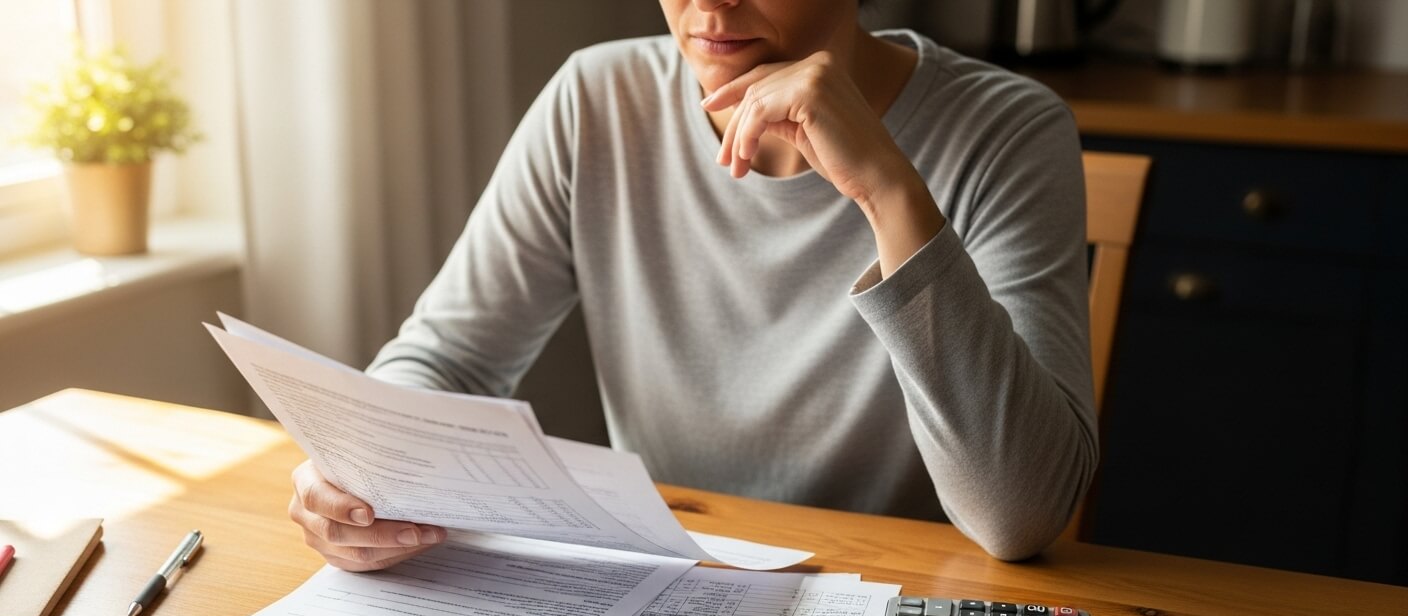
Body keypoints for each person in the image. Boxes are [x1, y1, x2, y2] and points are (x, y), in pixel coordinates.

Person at [287, 0, 1096, 573]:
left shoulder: (1007, 130)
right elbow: (448, 360)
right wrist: (365, 471)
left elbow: (1019, 516)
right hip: (668, 590)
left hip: (895, 611)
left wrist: (887, 189)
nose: (709, 1)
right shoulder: (596, 99)